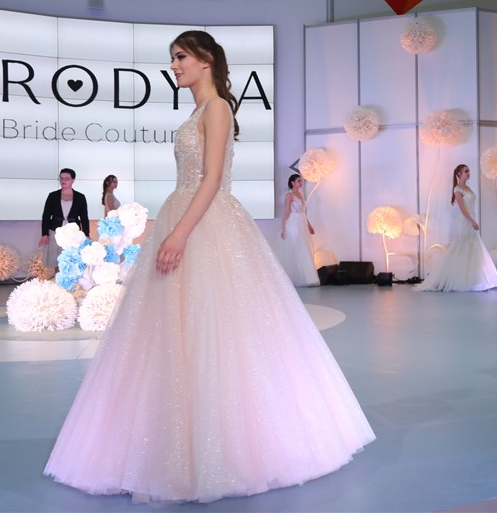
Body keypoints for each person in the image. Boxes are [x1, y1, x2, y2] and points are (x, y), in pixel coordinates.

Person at [44, 30, 374, 504]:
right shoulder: (197, 111)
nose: (174, 65)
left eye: (181, 56)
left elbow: (213, 178)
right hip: (185, 215)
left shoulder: (217, 107)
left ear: (206, 59)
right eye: (172, 58)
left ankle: (222, 452)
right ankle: (171, 447)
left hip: (204, 223)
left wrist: (179, 233)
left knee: (214, 332)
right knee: (173, 334)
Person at [415, 164, 497, 292]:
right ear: (459, 174)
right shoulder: (457, 189)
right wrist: (472, 221)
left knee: (472, 249)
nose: (468, 173)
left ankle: (473, 280)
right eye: (466, 171)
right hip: (465, 222)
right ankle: (454, 280)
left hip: (471, 221)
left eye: (468, 171)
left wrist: (473, 221)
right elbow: (462, 208)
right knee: (462, 248)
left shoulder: (468, 188)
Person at [38, 168, 90, 269]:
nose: (63, 181)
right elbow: (46, 216)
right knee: (56, 261)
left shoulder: (80, 197)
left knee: (71, 260)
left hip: (73, 233)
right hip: (55, 231)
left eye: (66, 178)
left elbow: (84, 217)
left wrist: (86, 234)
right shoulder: (52, 196)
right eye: (61, 178)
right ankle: (57, 278)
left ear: (73, 180)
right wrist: (44, 234)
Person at [276, 173, 320, 286]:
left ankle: (307, 278)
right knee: (296, 247)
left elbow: (303, 213)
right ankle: (293, 277)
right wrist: (284, 227)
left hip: (302, 223)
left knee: (304, 248)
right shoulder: (289, 195)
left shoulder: (300, 194)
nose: (301, 183)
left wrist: (309, 226)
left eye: (301, 181)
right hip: (293, 223)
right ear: (292, 182)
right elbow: (287, 211)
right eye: (298, 181)